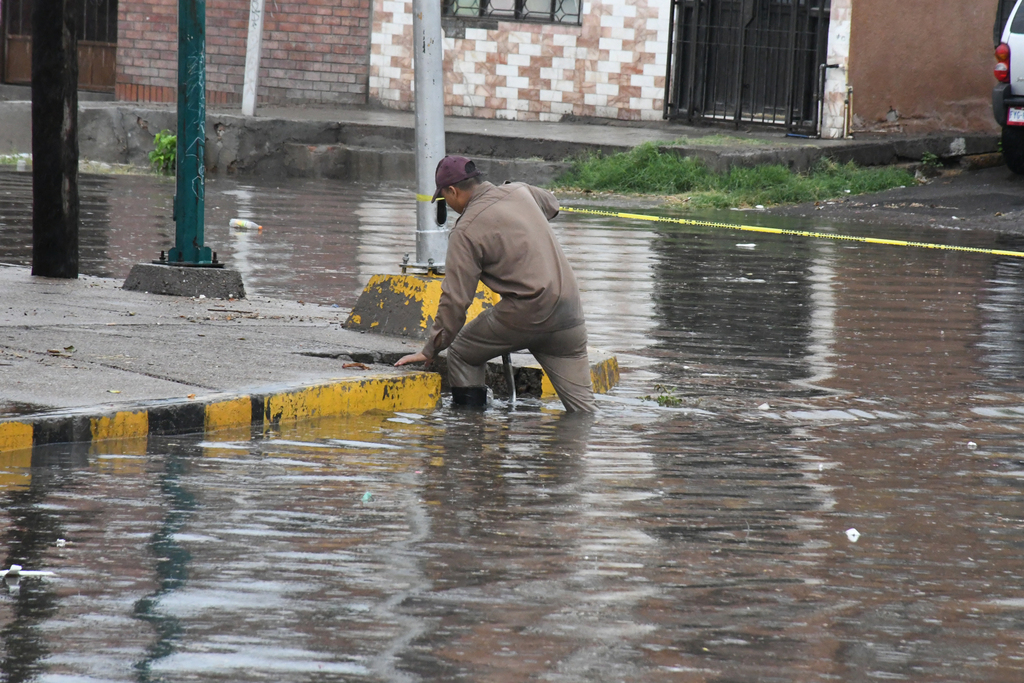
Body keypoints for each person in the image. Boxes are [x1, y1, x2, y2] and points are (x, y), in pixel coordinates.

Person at [395, 155, 596, 413]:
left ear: (452, 191)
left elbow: (456, 300)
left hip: (528, 311)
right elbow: (552, 204)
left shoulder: (465, 231)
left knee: (461, 354)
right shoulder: (520, 191)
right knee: (584, 412)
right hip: (569, 310)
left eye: (446, 198)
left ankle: (469, 437)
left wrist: (431, 348)